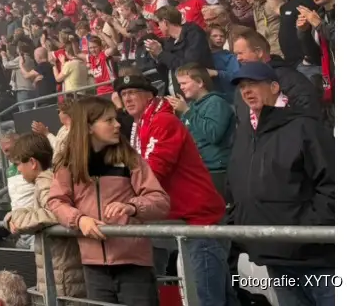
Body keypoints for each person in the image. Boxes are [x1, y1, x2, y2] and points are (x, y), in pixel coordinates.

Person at [115, 73, 232, 306]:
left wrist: (120, 197)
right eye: (124, 94)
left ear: (149, 96)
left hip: (200, 220)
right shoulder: (142, 124)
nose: (127, 99)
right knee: (218, 297)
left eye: (133, 93)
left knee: (209, 299)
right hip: (184, 219)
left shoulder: (162, 122)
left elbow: (154, 171)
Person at [227, 62, 335, 306]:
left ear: (275, 87)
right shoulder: (244, 134)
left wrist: (307, 231)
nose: (246, 91)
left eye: (253, 84)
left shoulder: (305, 127)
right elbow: (236, 187)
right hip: (274, 258)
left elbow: (332, 185)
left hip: (318, 260)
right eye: (242, 86)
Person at [46, 96, 169, 306]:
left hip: (134, 265)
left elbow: (160, 201)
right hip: (93, 268)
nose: (117, 125)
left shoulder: (130, 159)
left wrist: (131, 207)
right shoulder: (68, 164)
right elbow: (56, 202)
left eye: (116, 119)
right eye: (109, 120)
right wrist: (79, 220)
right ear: (89, 127)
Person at [4, 133, 85, 303]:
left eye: (19, 164)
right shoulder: (49, 179)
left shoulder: (45, 181)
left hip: (62, 277)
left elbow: (57, 212)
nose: (18, 170)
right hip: (62, 274)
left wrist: (18, 219)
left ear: (32, 162)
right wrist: (13, 216)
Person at [168, 63, 234, 176]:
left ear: (199, 82)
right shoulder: (191, 106)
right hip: (198, 169)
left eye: (184, 83)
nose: (181, 87)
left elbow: (213, 134)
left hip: (217, 170)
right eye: (180, 84)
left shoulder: (216, 102)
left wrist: (187, 112)